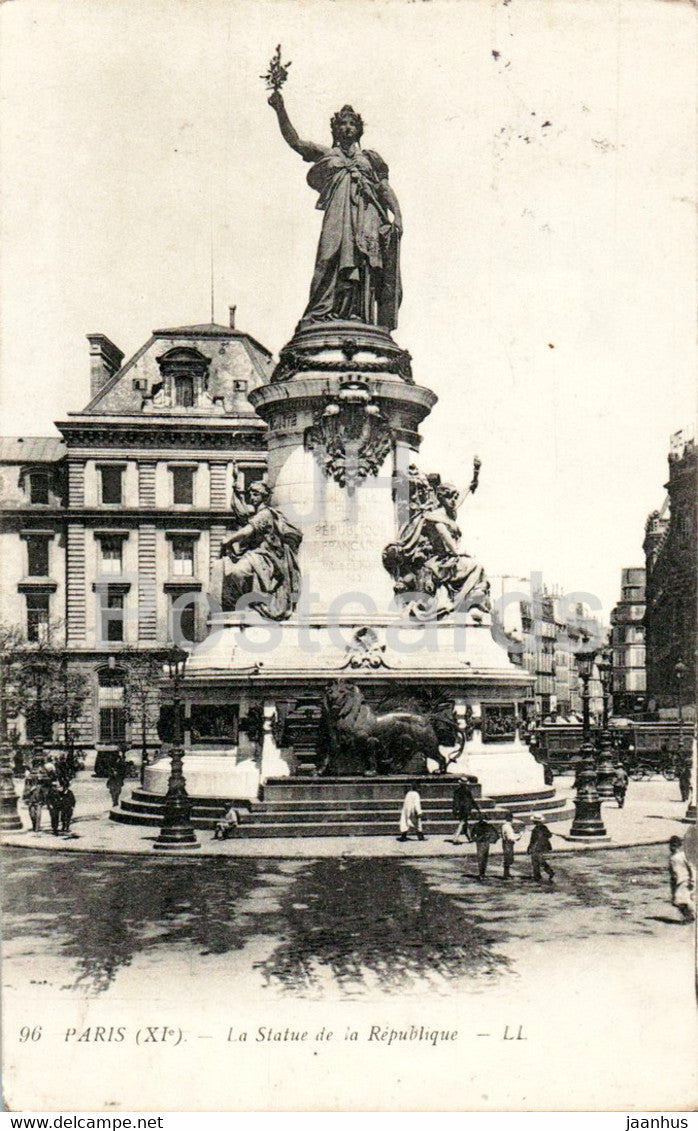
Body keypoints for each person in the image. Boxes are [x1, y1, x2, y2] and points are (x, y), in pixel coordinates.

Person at [268, 91, 403, 330]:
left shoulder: (370, 159)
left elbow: (384, 188)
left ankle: (357, 314)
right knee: (328, 256)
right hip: (337, 214)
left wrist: (398, 215)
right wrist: (280, 110)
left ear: (359, 130)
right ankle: (320, 311)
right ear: (335, 129)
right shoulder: (328, 154)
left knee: (362, 261)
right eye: (342, 124)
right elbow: (296, 142)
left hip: (366, 215)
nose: (347, 128)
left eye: (352, 124)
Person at [220, 481, 302, 621]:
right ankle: (246, 603)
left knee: (238, 572)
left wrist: (229, 540)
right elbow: (241, 514)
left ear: (264, 497)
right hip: (255, 553)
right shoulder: (256, 514)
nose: (252, 497)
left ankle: (253, 603)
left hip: (267, 555)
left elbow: (247, 531)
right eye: (250, 494)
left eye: (256, 494)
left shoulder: (265, 514)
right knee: (233, 571)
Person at [668, 835, 695, 923]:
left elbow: (691, 868)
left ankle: (689, 916)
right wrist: (672, 881)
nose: (672, 848)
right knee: (677, 901)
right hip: (677, 882)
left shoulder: (683, 855)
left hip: (685, 881)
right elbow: (672, 871)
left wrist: (692, 880)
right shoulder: (672, 857)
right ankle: (690, 915)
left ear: (679, 846)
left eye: (674, 846)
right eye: (671, 846)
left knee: (680, 900)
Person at [526, 816, 559, 882]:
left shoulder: (535, 829)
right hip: (542, 846)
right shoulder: (544, 827)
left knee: (536, 861)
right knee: (539, 860)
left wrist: (529, 847)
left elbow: (533, 840)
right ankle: (544, 873)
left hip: (537, 846)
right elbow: (549, 835)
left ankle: (540, 875)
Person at [450, 778, 481, 843]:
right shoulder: (467, 791)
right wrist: (477, 808)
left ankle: (470, 839)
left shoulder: (457, 791)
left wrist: (455, 810)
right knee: (462, 823)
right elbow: (472, 801)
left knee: (465, 824)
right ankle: (455, 838)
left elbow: (455, 802)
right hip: (466, 809)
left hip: (460, 809)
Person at [470, 817, 499, 881]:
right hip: (485, 843)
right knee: (484, 858)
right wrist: (492, 840)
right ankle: (482, 874)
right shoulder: (488, 826)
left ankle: (482, 874)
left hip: (480, 843)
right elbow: (496, 834)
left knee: (481, 858)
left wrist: (475, 839)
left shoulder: (477, 825)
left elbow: (472, 835)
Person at [500, 811, 523, 879]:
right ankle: (506, 874)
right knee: (508, 858)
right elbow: (511, 838)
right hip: (508, 844)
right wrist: (520, 835)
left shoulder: (504, 826)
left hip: (505, 843)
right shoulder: (508, 827)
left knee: (507, 858)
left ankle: (506, 873)